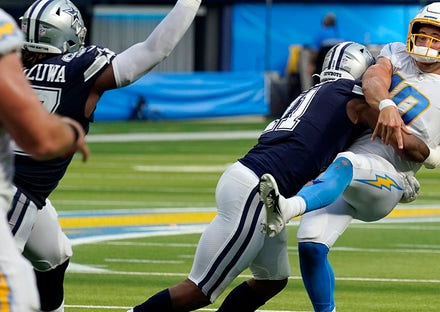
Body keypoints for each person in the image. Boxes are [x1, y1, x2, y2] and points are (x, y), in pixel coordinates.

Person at [130, 42, 414, 312]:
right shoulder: (351, 97)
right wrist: (425, 156)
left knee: (271, 280)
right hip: (257, 191)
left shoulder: (312, 95)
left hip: (257, 185)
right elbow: (401, 137)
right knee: (200, 290)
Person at [259, 2, 440, 312]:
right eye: (421, 34)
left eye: (435, 38)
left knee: (347, 163)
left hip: (387, 178)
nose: (426, 42)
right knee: (311, 246)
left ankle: (287, 206)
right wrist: (386, 105)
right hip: (341, 177)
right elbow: (373, 80)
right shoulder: (396, 53)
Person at [6, 0, 202, 311]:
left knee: (55, 256)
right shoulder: (80, 69)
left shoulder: (9, 68)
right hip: (15, 195)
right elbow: (156, 49)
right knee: (8, 282)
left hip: (24, 191)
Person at [0, 8, 89, 312]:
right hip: (10, 189)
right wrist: (71, 134)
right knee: (15, 289)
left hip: (16, 188)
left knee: (55, 253)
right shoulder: (4, 27)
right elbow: (39, 138)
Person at [310, 13, 343, 80]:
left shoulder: (320, 34)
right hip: (339, 69)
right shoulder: (341, 34)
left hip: (321, 69)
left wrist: (312, 64)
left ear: (324, 23)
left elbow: (314, 52)